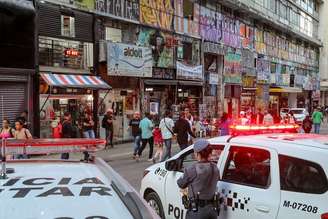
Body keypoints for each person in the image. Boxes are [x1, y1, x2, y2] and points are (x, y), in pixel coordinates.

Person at [177, 139, 220, 219]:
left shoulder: (192, 169)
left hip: (197, 212)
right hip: (212, 210)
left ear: (197, 154)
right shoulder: (215, 167)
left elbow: (180, 183)